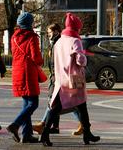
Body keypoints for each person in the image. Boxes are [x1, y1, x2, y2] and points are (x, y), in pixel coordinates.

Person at [40, 13, 100, 147]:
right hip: (73, 79)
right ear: (76, 28)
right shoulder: (75, 41)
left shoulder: (59, 40)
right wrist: (84, 58)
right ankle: (86, 134)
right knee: (81, 106)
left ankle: (86, 133)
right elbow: (80, 60)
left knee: (57, 108)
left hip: (61, 78)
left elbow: (53, 60)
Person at [7, 12, 44, 144]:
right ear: (30, 23)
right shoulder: (32, 37)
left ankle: (26, 134)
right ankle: (15, 125)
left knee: (26, 104)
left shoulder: (14, 37)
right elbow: (36, 58)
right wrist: (42, 60)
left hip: (17, 71)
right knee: (33, 104)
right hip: (28, 72)